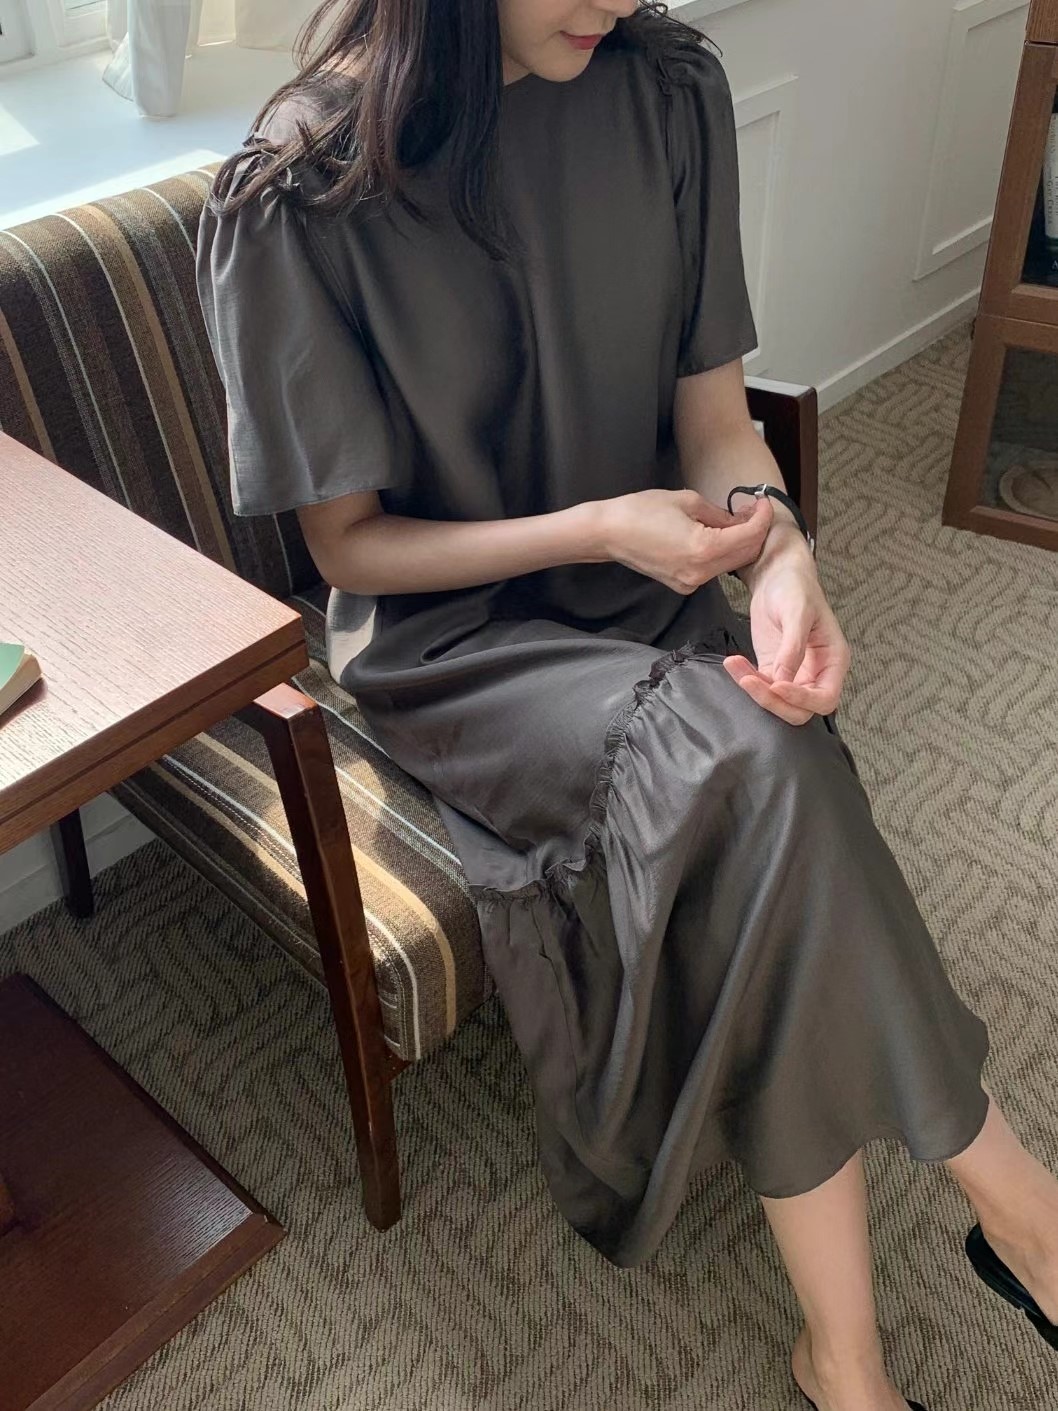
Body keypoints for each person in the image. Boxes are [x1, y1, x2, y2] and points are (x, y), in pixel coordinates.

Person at [196, 2, 1058, 1406]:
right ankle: (1023, 1217)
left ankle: (844, 1362)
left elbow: (716, 426)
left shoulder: (663, 91)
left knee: (765, 780)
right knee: (756, 765)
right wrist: (598, 526)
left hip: (648, 583)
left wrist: (783, 553)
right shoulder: (302, 188)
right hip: (459, 644)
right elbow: (348, 552)